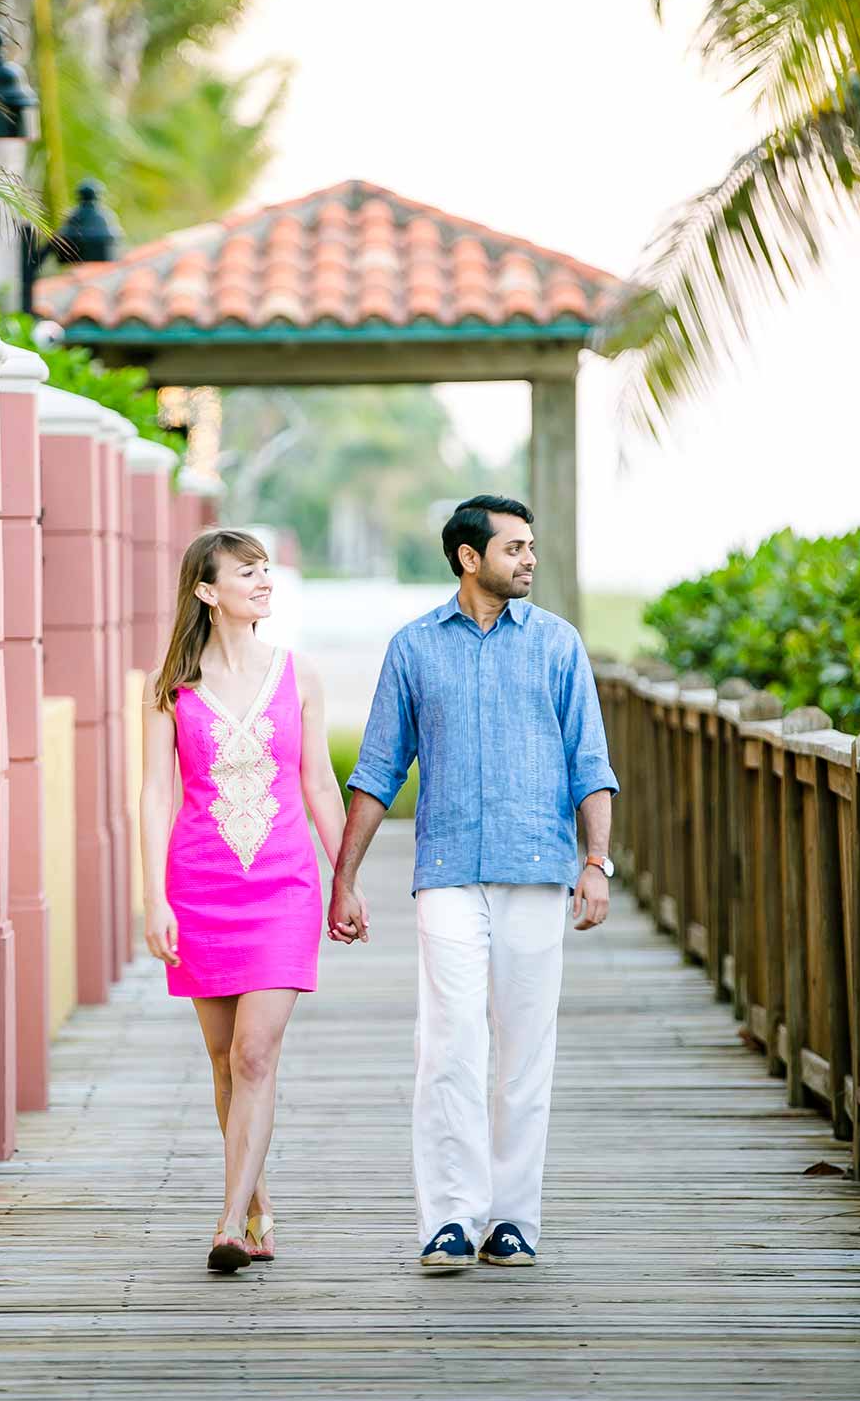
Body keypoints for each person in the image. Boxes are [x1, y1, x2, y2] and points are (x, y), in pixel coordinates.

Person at [328, 496, 618, 1273]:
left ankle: (514, 1218)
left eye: (531, 546)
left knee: (525, 1049)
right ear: (469, 557)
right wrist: (344, 877)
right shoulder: (415, 647)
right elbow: (379, 769)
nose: (528, 559)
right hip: (447, 872)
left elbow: (590, 763)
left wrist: (596, 863)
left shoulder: (558, 645)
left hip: (537, 871)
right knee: (450, 1043)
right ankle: (451, 1218)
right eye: (514, 547)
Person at [139, 529, 350, 1273]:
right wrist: (153, 895)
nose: (265, 582)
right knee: (225, 1060)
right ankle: (256, 1199)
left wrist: (345, 875)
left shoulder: (299, 673)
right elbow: (158, 791)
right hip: (200, 886)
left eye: (266, 571)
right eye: (248, 572)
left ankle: (228, 1220)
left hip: (284, 885)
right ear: (206, 589)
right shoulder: (172, 686)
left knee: (257, 1051)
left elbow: (318, 782)